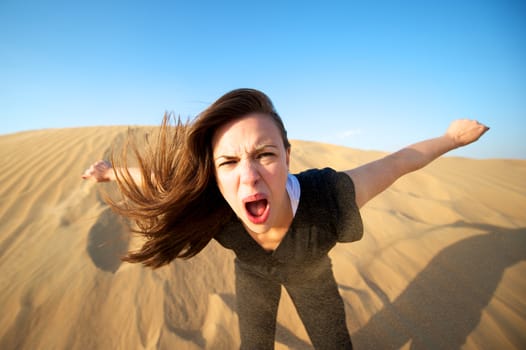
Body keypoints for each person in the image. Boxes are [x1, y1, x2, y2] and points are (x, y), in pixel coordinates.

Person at [82, 88, 489, 349]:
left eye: (265, 154)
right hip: (254, 275)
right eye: (228, 161)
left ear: (288, 157)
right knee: (254, 344)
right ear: (215, 174)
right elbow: (160, 179)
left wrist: (452, 138)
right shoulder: (216, 199)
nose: (249, 175)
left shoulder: (328, 196)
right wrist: (108, 172)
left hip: (312, 277)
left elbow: (398, 163)